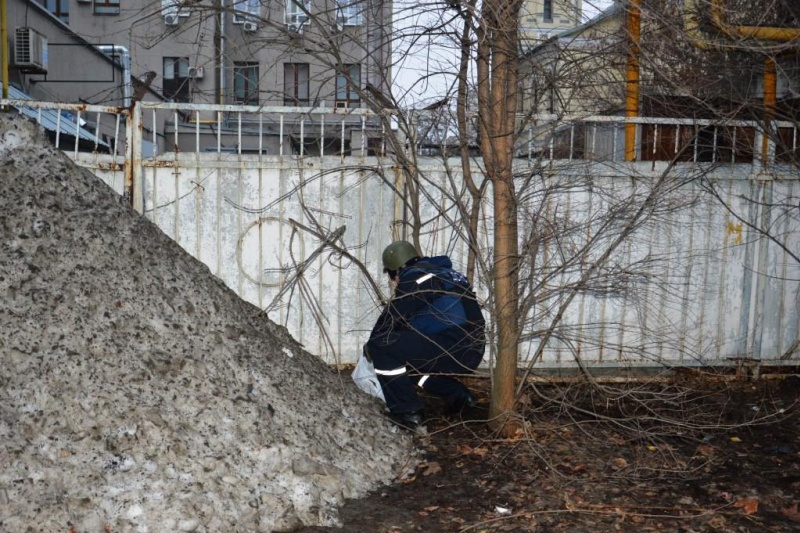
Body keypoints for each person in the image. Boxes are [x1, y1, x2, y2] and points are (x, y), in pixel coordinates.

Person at [365, 240, 486, 428]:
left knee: (382, 346)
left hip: (451, 346)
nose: (394, 282)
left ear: (396, 271)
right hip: (472, 349)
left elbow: (391, 319)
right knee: (403, 362)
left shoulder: (415, 279)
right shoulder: (448, 274)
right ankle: (459, 396)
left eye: (392, 277)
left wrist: (371, 346)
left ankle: (408, 413)